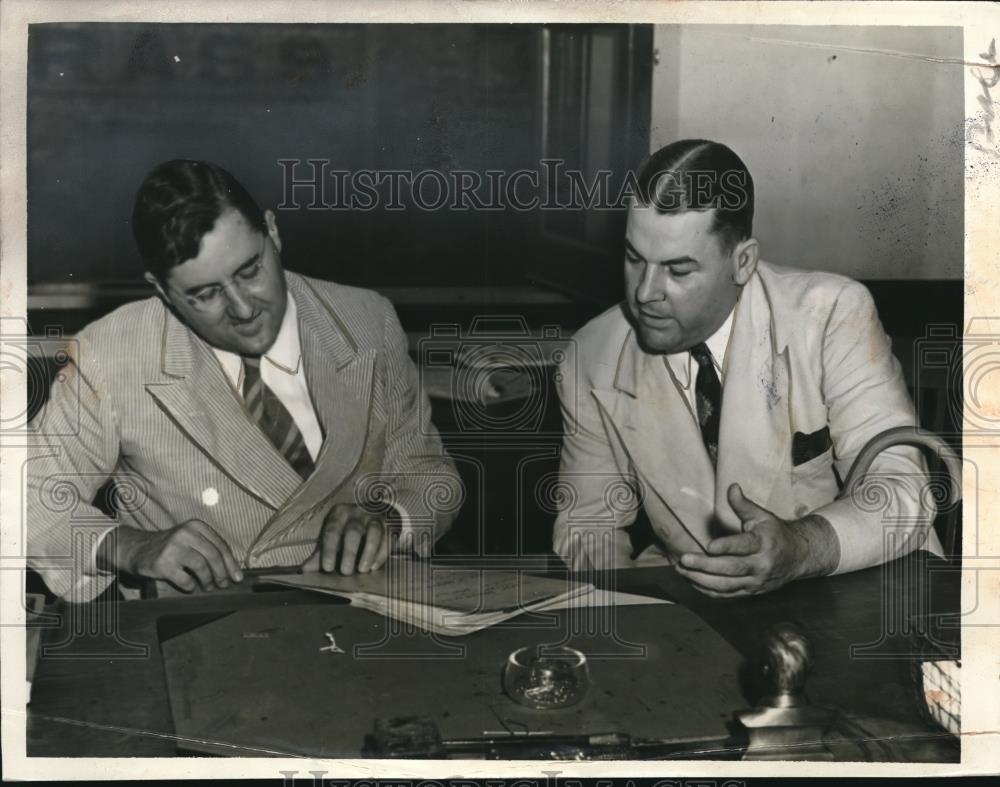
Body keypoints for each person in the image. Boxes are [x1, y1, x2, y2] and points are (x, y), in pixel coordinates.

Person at [27, 159, 460, 601]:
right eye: (205, 294)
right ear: (162, 290)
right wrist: (129, 546)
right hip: (205, 624)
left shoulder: (368, 320)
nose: (243, 308)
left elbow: (429, 475)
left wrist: (390, 518)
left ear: (272, 232)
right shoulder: (112, 353)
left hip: (367, 610)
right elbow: (25, 493)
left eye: (250, 270)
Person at [552, 139, 940, 596]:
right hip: (697, 611)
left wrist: (802, 547)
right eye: (635, 259)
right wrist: (627, 608)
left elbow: (901, 490)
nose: (644, 293)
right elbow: (587, 525)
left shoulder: (832, 313)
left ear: (742, 261)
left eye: (678, 270)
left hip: (860, 592)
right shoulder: (592, 354)